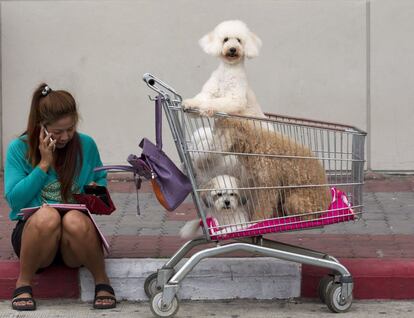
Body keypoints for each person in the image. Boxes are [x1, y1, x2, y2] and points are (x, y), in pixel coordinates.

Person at [4, 83, 116, 311]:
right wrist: (43, 164)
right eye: (57, 131)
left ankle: (102, 281)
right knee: (47, 216)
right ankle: (23, 283)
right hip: (36, 238)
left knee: (73, 217)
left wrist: (95, 190)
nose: (65, 136)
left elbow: (101, 189)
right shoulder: (19, 148)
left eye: (70, 129)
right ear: (41, 126)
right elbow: (15, 200)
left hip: (74, 240)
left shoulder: (86, 145)